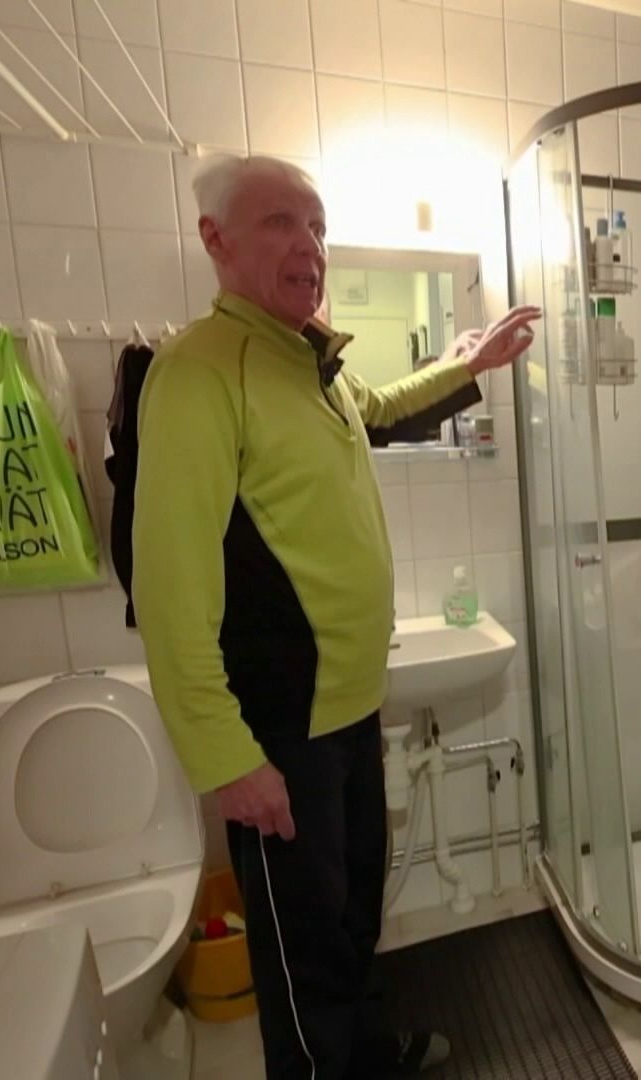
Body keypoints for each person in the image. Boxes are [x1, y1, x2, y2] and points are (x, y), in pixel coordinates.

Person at [131, 153, 541, 1078]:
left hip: (350, 711)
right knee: (304, 954)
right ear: (215, 240)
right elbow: (169, 587)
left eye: (316, 227)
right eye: (280, 223)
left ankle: (369, 1057)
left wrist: (467, 363)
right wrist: (227, 757)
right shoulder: (203, 371)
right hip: (281, 730)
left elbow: (383, 406)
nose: (309, 247)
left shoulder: (308, 362)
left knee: (354, 919)